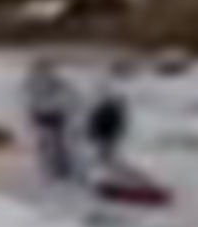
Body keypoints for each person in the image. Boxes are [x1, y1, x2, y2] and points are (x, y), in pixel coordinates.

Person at [21, 55, 80, 187]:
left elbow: (71, 95)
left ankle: (61, 170)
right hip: (43, 115)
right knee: (45, 143)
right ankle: (50, 169)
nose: (43, 70)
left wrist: (68, 106)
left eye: (45, 67)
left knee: (57, 143)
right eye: (41, 67)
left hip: (54, 115)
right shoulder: (31, 81)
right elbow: (27, 98)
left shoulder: (56, 81)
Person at [85, 67, 131, 180]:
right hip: (104, 134)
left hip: (109, 134)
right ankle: (103, 172)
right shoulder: (104, 106)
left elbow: (119, 123)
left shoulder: (115, 108)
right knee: (103, 153)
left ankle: (108, 170)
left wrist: (117, 133)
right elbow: (95, 120)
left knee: (108, 152)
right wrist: (93, 133)